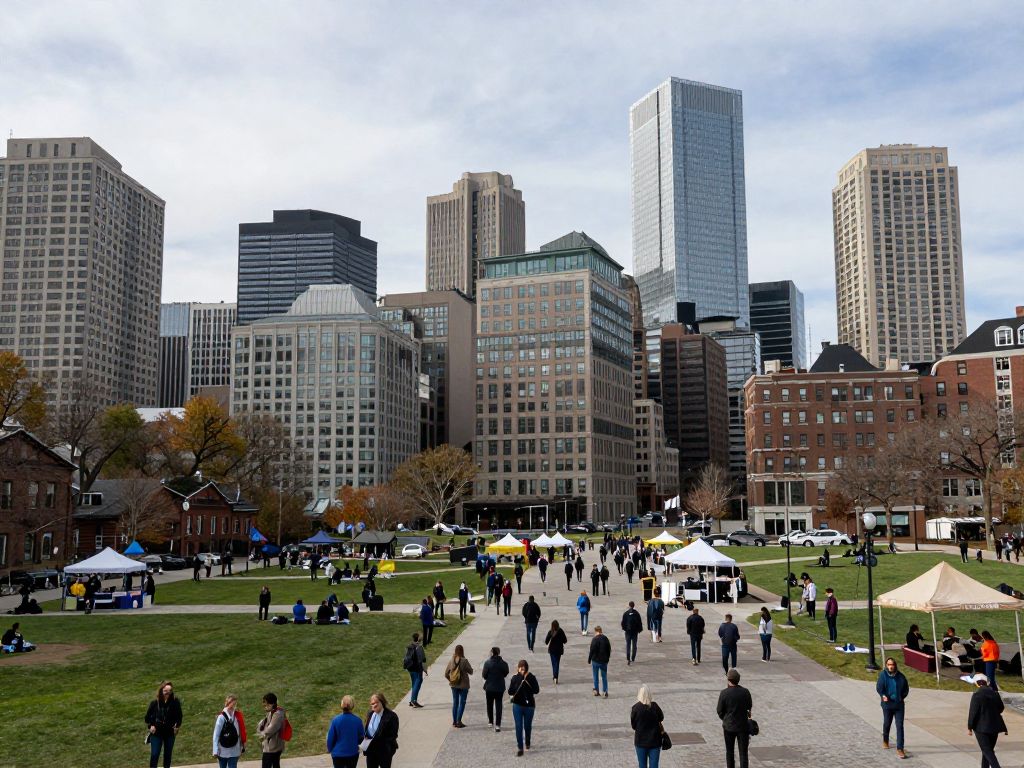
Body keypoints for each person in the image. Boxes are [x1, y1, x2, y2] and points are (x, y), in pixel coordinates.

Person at [968, 673, 1007, 768]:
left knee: (987, 751)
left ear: (976, 684)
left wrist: (969, 727)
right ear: (987, 683)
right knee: (988, 750)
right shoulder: (995, 694)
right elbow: (1001, 708)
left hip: (981, 728)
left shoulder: (977, 695)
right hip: (995, 727)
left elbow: (973, 712)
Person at [717, 668, 753, 768]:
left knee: (729, 752)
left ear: (729, 680)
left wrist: (725, 718)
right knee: (743, 753)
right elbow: (749, 707)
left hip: (729, 727)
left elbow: (719, 710)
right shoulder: (745, 692)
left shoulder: (724, 693)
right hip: (743, 727)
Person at [876, 657, 910, 758]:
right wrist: (883, 695)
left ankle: (900, 748)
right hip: (887, 705)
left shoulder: (901, 677)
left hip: (899, 705)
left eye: (892, 665)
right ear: (886, 666)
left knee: (899, 726)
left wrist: (900, 697)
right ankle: (885, 740)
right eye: (889, 665)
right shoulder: (883, 675)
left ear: (895, 666)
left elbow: (906, 689)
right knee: (887, 723)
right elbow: (879, 688)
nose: (891, 667)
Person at [145, 681, 183, 768]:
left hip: (169, 733)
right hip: (157, 733)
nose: (168, 693)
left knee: (167, 755)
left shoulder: (175, 702)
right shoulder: (155, 703)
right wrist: (151, 726)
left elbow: (179, 716)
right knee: (154, 754)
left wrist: (177, 727)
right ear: (161, 691)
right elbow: (147, 718)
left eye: (170, 691)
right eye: (165, 691)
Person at [508, 659, 541, 756]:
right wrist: (519, 679)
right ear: (518, 668)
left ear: (526, 668)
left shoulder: (531, 677)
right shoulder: (515, 678)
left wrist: (527, 680)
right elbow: (510, 691)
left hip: (529, 706)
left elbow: (536, 690)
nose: (522, 670)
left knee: (527, 726)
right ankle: (520, 747)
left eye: (523, 668)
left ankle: (527, 741)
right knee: (518, 726)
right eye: (520, 668)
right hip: (517, 705)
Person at [361, 692, 399, 768]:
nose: (374, 705)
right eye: (372, 704)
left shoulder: (391, 716)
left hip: (384, 751)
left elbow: (393, 735)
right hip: (371, 750)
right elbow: (367, 730)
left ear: (382, 702)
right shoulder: (370, 714)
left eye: (376, 703)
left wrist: (379, 741)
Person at [631, 684, 664, 768]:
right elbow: (661, 718)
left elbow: (634, 726)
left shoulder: (636, 708)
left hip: (640, 742)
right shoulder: (655, 706)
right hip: (655, 741)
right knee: (654, 765)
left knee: (642, 765)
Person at [326, 694, 363, 768]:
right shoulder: (358, 721)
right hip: (352, 753)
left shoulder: (335, 720)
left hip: (337, 754)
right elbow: (361, 738)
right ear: (352, 705)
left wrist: (330, 749)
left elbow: (330, 739)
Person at [212, 694, 246, 768]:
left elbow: (240, 732)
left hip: (235, 748)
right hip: (222, 749)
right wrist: (215, 750)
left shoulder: (237, 716)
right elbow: (216, 734)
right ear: (227, 703)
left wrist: (242, 745)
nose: (234, 705)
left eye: (235, 703)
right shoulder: (221, 717)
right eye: (232, 703)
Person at [482, 646, 510, 732]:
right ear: (498, 653)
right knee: (499, 705)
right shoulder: (503, 663)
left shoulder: (487, 663)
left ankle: (490, 721)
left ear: (492, 653)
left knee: (489, 704)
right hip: (499, 687)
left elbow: (484, 675)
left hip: (489, 687)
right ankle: (498, 724)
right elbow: (506, 673)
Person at [444, 644, 474, 728]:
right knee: (462, 703)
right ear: (462, 651)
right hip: (463, 685)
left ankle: (454, 722)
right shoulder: (464, 661)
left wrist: (451, 680)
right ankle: (459, 721)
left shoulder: (451, 660)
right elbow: (471, 672)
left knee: (455, 703)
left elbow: (446, 673)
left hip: (454, 685)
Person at [257, 693, 286, 768]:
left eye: (266, 704)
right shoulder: (271, 713)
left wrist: (262, 735)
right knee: (275, 765)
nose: (264, 706)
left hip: (272, 747)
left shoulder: (277, 714)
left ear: (272, 703)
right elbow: (263, 725)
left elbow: (271, 729)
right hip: (272, 746)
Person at [404, 633, 427, 708]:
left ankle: (412, 700)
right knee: (418, 682)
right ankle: (414, 701)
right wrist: (425, 669)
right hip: (417, 668)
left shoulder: (409, 646)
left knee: (414, 683)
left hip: (410, 668)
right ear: (419, 639)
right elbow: (422, 660)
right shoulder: (419, 647)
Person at [588, 625, 611, 698]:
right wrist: (607, 658)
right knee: (604, 677)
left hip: (595, 661)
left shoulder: (595, 639)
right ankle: (605, 691)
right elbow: (609, 649)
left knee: (595, 676)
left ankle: (596, 690)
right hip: (604, 661)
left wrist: (589, 659)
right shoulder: (605, 638)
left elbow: (592, 650)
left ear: (596, 631)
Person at [544, 619, 568, 684]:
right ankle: (555, 677)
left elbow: (546, 642)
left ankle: (555, 676)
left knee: (554, 664)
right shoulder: (561, 631)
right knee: (557, 663)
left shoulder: (550, 632)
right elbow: (565, 641)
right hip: (559, 650)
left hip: (552, 650)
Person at [621, 601, 643, 665]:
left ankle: (628, 658)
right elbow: (639, 622)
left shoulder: (626, 613)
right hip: (634, 632)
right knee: (634, 645)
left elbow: (623, 623)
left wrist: (625, 629)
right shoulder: (636, 613)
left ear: (629, 605)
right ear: (634, 605)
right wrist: (639, 630)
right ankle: (633, 657)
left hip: (628, 631)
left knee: (628, 644)